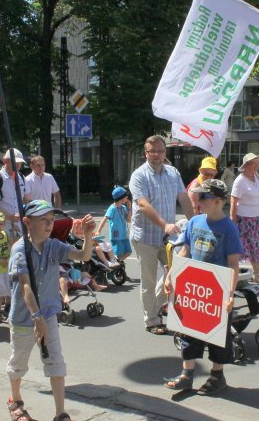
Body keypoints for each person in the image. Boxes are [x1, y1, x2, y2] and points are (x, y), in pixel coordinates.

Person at [6, 200, 96, 421]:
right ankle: (15, 400)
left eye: (51, 220)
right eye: (43, 220)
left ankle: (60, 413)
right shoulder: (20, 250)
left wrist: (88, 235)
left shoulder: (53, 245)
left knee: (55, 361)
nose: (49, 225)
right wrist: (37, 319)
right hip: (25, 318)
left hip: (48, 315)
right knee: (19, 361)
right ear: (27, 222)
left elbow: (83, 256)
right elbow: (26, 287)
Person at [163, 179, 241, 395]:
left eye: (203, 197)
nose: (198, 201)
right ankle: (187, 375)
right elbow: (184, 252)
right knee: (188, 332)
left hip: (217, 291)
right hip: (194, 289)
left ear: (218, 201)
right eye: (197, 196)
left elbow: (233, 263)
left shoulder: (229, 228)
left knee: (217, 337)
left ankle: (218, 376)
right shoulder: (195, 222)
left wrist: (230, 294)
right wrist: (171, 275)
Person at [129, 135, 194, 335]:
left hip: (168, 238)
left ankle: (156, 308)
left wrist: (196, 223)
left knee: (176, 275)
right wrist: (164, 224)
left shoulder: (173, 173)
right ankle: (151, 320)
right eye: (152, 151)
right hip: (145, 237)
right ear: (145, 153)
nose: (156, 154)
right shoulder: (139, 175)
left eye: (160, 150)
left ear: (165, 152)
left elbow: (183, 197)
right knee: (148, 281)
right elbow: (143, 204)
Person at [230, 153, 259, 284]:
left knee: (250, 245)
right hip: (243, 218)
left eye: (257, 163)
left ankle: (237, 273)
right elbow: (233, 202)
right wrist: (232, 222)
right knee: (249, 245)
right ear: (246, 165)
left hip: (255, 218)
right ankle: (256, 274)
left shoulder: (256, 177)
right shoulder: (240, 181)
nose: (257, 165)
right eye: (254, 163)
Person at [0, 148, 31, 241]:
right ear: (5, 161)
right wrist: (9, 217)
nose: (18, 166)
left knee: (19, 254)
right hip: (0, 227)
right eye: (15, 163)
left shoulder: (22, 178)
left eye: (20, 163)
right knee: (2, 255)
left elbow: (27, 200)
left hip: (19, 227)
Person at [95, 186, 132, 262]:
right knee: (119, 253)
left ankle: (117, 261)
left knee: (129, 252)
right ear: (121, 198)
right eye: (126, 196)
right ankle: (116, 262)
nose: (127, 198)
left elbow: (128, 220)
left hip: (124, 235)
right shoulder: (112, 208)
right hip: (116, 236)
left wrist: (129, 208)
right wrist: (98, 231)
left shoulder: (123, 208)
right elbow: (105, 219)